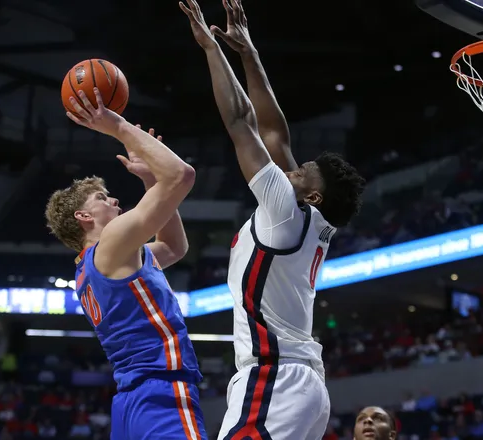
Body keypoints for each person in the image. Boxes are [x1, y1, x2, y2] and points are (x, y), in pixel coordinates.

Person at [181, 0, 365, 439]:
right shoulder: (311, 221)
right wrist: (249, 52)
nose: (292, 168)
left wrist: (212, 49)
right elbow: (276, 132)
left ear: (312, 194)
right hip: (301, 385)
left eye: (300, 172)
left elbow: (242, 121)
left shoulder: (285, 210)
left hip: (274, 379)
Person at [45, 89, 206, 440]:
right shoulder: (111, 244)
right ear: (84, 216)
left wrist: (149, 178)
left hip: (132, 400)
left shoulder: (93, 266)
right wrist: (116, 125)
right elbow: (181, 175)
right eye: (102, 198)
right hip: (160, 389)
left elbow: (173, 248)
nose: (114, 198)